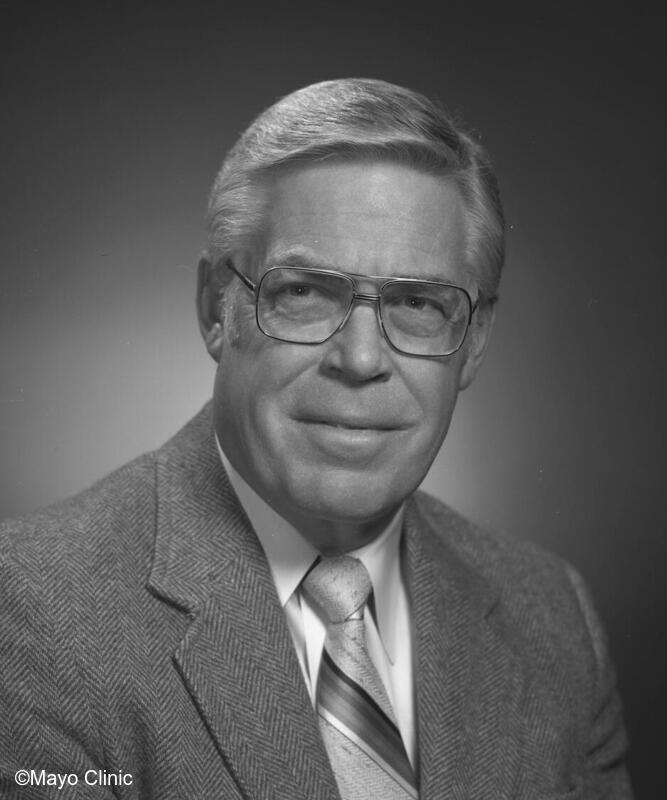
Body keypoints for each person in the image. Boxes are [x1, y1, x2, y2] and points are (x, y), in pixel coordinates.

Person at [0, 79, 632, 799]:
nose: (360, 360)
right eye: (303, 292)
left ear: (474, 342)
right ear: (215, 309)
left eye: (417, 303)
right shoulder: (28, 612)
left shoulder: (552, 617)